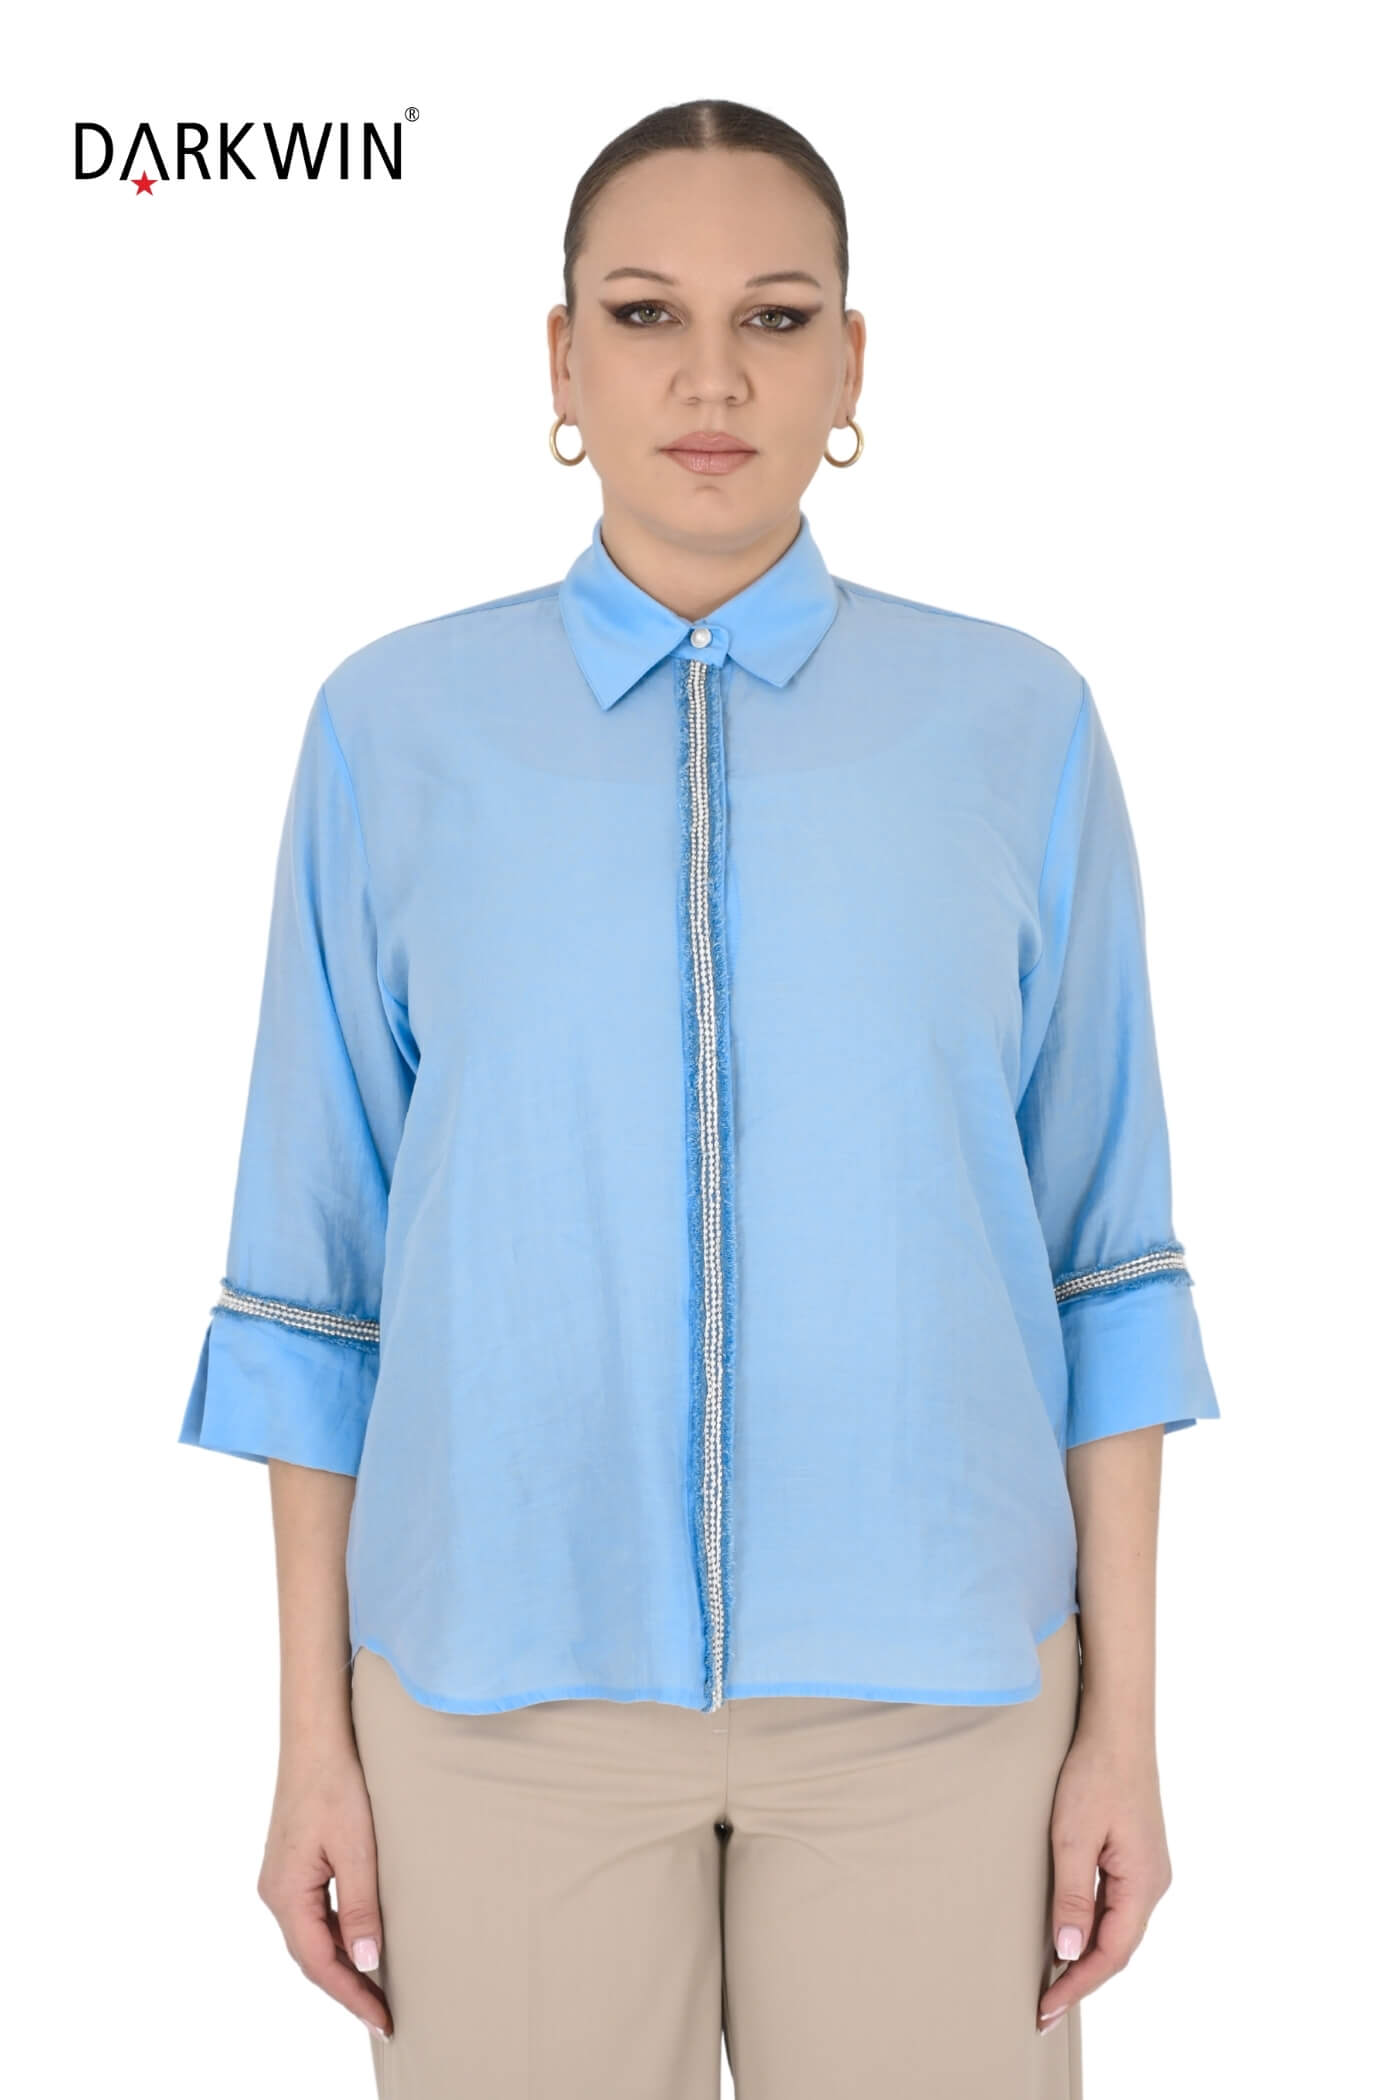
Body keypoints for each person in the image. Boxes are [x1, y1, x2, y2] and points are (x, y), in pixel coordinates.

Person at [177, 96, 1221, 2100]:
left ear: (853, 364)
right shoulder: (393, 728)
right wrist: (313, 1736)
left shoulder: (1017, 726)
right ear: (560, 362)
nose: (713, 376)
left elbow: (1107, 1256)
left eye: (777, 315)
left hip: (940, 1701)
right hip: (494, 1701)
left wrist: (1124, 1728)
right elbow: (313, 1275)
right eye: (646, 314)